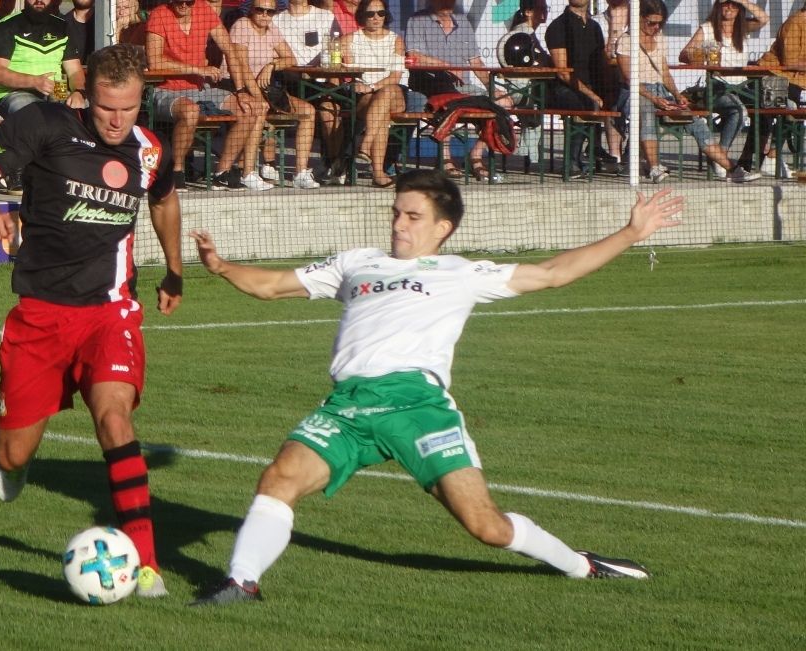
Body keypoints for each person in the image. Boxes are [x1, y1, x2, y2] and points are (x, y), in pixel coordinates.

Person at [187, 168, 682, 607]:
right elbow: (273, 285)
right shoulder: (356, 263)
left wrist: (631, 233)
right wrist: (222, 267)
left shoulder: (461, 274)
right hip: (349, 405)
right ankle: (241, 583)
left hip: (418, 406)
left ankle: (580, 565)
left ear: (442, 228)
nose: (398, 224)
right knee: (280, 478)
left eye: (413, 216)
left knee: (486, 526)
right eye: (396, 213)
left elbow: (554, 273)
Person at [0, 43, 182, 599]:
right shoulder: (43, 124)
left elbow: (163, 200)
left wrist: (175, 271)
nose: (117, 120)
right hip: (40, 314)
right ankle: (16, 462)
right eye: (106, 108)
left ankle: (147, 564)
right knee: (12, 453)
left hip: (110, 311)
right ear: (86, 96)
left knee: (115, 420)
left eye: (129, 109)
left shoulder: (149, 149)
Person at [617, 0, 759, 183]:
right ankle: (654, 167)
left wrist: (677, 95)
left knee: (695, 121)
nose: (656, 27)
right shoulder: (626, 40)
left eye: (660, 23)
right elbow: (630, 79)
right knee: (646, 114)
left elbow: (664, 73)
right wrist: (654, 98)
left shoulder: (659, 37)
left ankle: (732, 169)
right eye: (651, 23)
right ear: (639, 18)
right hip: (636, 91)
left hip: (660, 91)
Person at [146, 0, 270, 191]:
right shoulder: (159, 15)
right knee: (190, 111)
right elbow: (155, 61)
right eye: (180, 1)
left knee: (249, 108)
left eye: (189, 1)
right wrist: (197, 69)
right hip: (165, 89)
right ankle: (176, 171)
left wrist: (240, 91)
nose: (184, 5)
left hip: (199, 89)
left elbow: (229, 50)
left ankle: (222, 171)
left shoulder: (203, 10)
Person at [405, 0, 508, 182]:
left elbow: (476, 62)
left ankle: (475, 155)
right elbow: (413, 56)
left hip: (462, 87)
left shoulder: (463, 22)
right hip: (428, 82)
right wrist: (445, 66)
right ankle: (445, 159)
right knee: (449, 102)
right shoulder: (418, 20)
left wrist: (492, 88)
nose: (449, 3)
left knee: (503, 102)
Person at [229, 0, 319, 189]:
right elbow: (242, 68)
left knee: (309, 111)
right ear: (251, 10)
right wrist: (259, 98)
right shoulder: (242, 25)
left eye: (270, 11)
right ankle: (248, 172)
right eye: (260, 10)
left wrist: (271, 65)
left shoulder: (271, 29)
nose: (265, 15)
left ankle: (300, 173)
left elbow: (290, 58)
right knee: (260, 109)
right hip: (240, 88)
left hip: (268, 90)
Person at [678, 0, 769, 178]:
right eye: (725, 4)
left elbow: (764, 19)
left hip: (742, 85)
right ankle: (721, 157)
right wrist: (699, 54)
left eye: (734, 5)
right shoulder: (708, 28)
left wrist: (742, 1)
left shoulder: (743, 28)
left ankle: (753, 159)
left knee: (769, 108)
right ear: (718, 6)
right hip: (718, 85)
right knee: (738, 111)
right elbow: (683, 55)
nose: (729, 8)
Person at [273, 0, 345, 184]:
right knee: (271, 115)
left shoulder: (326, 17)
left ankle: (334, 164)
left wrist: (333, 86)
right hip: (288, 85)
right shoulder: (275, 20)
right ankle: (270, 165)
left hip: (320, 83)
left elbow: (336, 52)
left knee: (330, 113)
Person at [342, 0, 405, 188]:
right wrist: (355, 84)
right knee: (381, 114)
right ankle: (378, 173)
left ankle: (366, 143)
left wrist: (371, 86)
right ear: (362, 15)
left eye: (381, 13)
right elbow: (344, 72)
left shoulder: (396, 40)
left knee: (387, 91)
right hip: (365, 99)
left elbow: (395, 77)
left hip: (394, 94)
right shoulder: (349, 40)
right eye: (371, 14)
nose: (376, 18)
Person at [0, 0, 85, 117]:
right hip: (15, 93)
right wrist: (35, 82)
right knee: (35, 115)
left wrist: (78, 92)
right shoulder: (7, 25)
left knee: (86, 109)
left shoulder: (63, 26)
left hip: (58, 91)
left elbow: (75, 71)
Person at [544, 0, 609, 173]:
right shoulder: (558, 26)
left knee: (624, 98)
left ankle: (601, 150)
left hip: (592, 85)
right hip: (562, 88)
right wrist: (592, 94)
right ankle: (571, 162)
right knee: (581, 103)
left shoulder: (595, 27)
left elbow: (601, 63)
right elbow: (563, 73)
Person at [496, 0, 551, 169]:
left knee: (537, 106)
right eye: (540, 9)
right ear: (528, 12)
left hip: (522, 88)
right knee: (543, 101)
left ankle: (529, 154)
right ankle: (531, 157)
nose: (544, 13)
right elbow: (541, 63)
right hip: (521, 90)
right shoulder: (522, 34)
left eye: (546, 8)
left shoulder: (526, 33)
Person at [755, 1, 806, 176]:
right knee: (786, 111)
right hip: (774, 76)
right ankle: (769, 158)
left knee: (791, 111)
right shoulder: (796, 22)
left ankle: (770, 157)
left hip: (796, 81)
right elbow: (789, 62)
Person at [591, 0, 629, 173]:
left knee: (639, 102)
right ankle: (615, 156)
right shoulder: (597, 22)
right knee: (610, 96)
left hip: (635, 80)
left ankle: (634, 152)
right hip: (606, 80)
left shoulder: (640, 21)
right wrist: (613, 28)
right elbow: (606, 55)